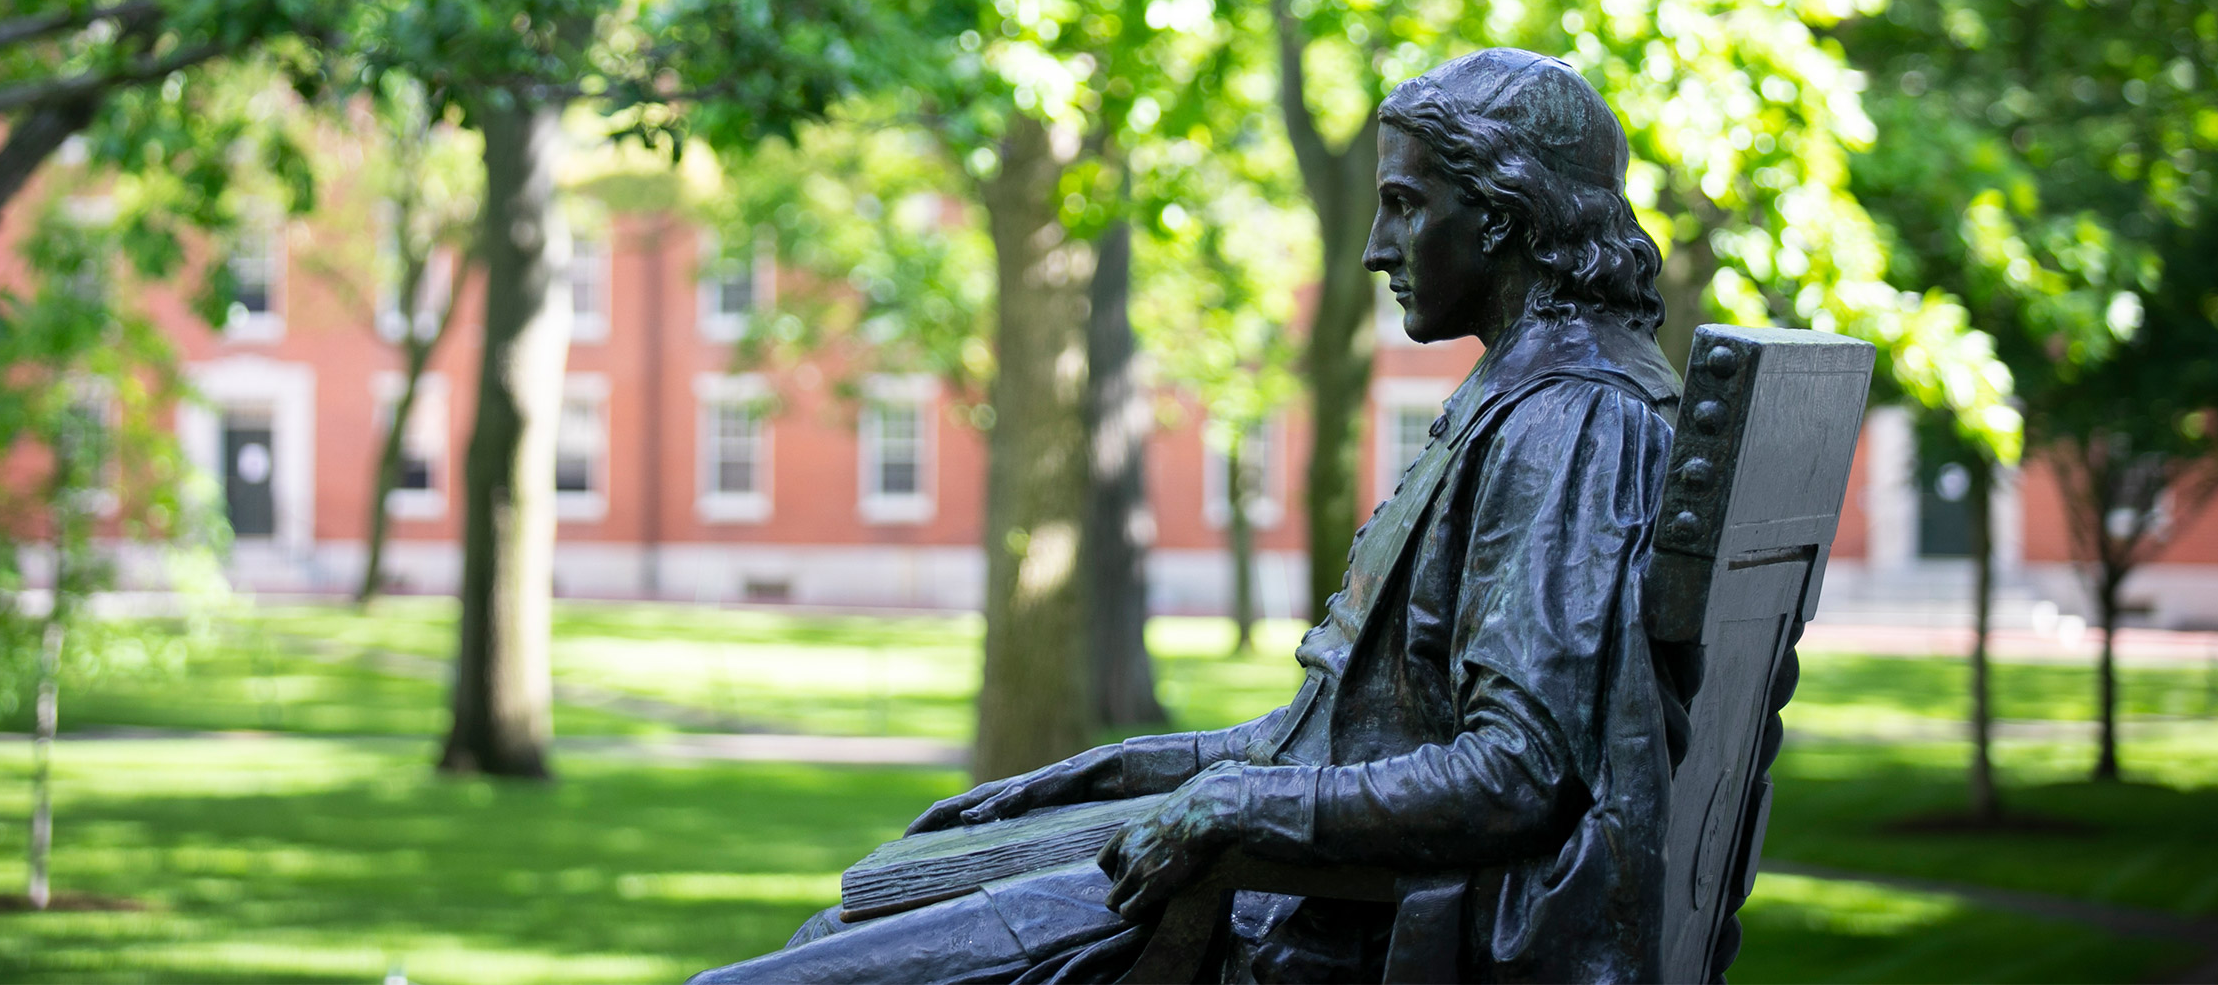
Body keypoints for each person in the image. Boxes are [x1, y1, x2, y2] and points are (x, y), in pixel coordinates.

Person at [694, 49, 1687, 984]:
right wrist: (1123, 763)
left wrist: (1235, 801)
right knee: (873, 901)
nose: (1375, 247)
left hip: (1330, 927)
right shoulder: (1536, 394)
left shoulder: (1572, 419)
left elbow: (1518, 771)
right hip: (1310, 895)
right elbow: (1352, 732)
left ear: (1504, 213)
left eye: (1402, 204)